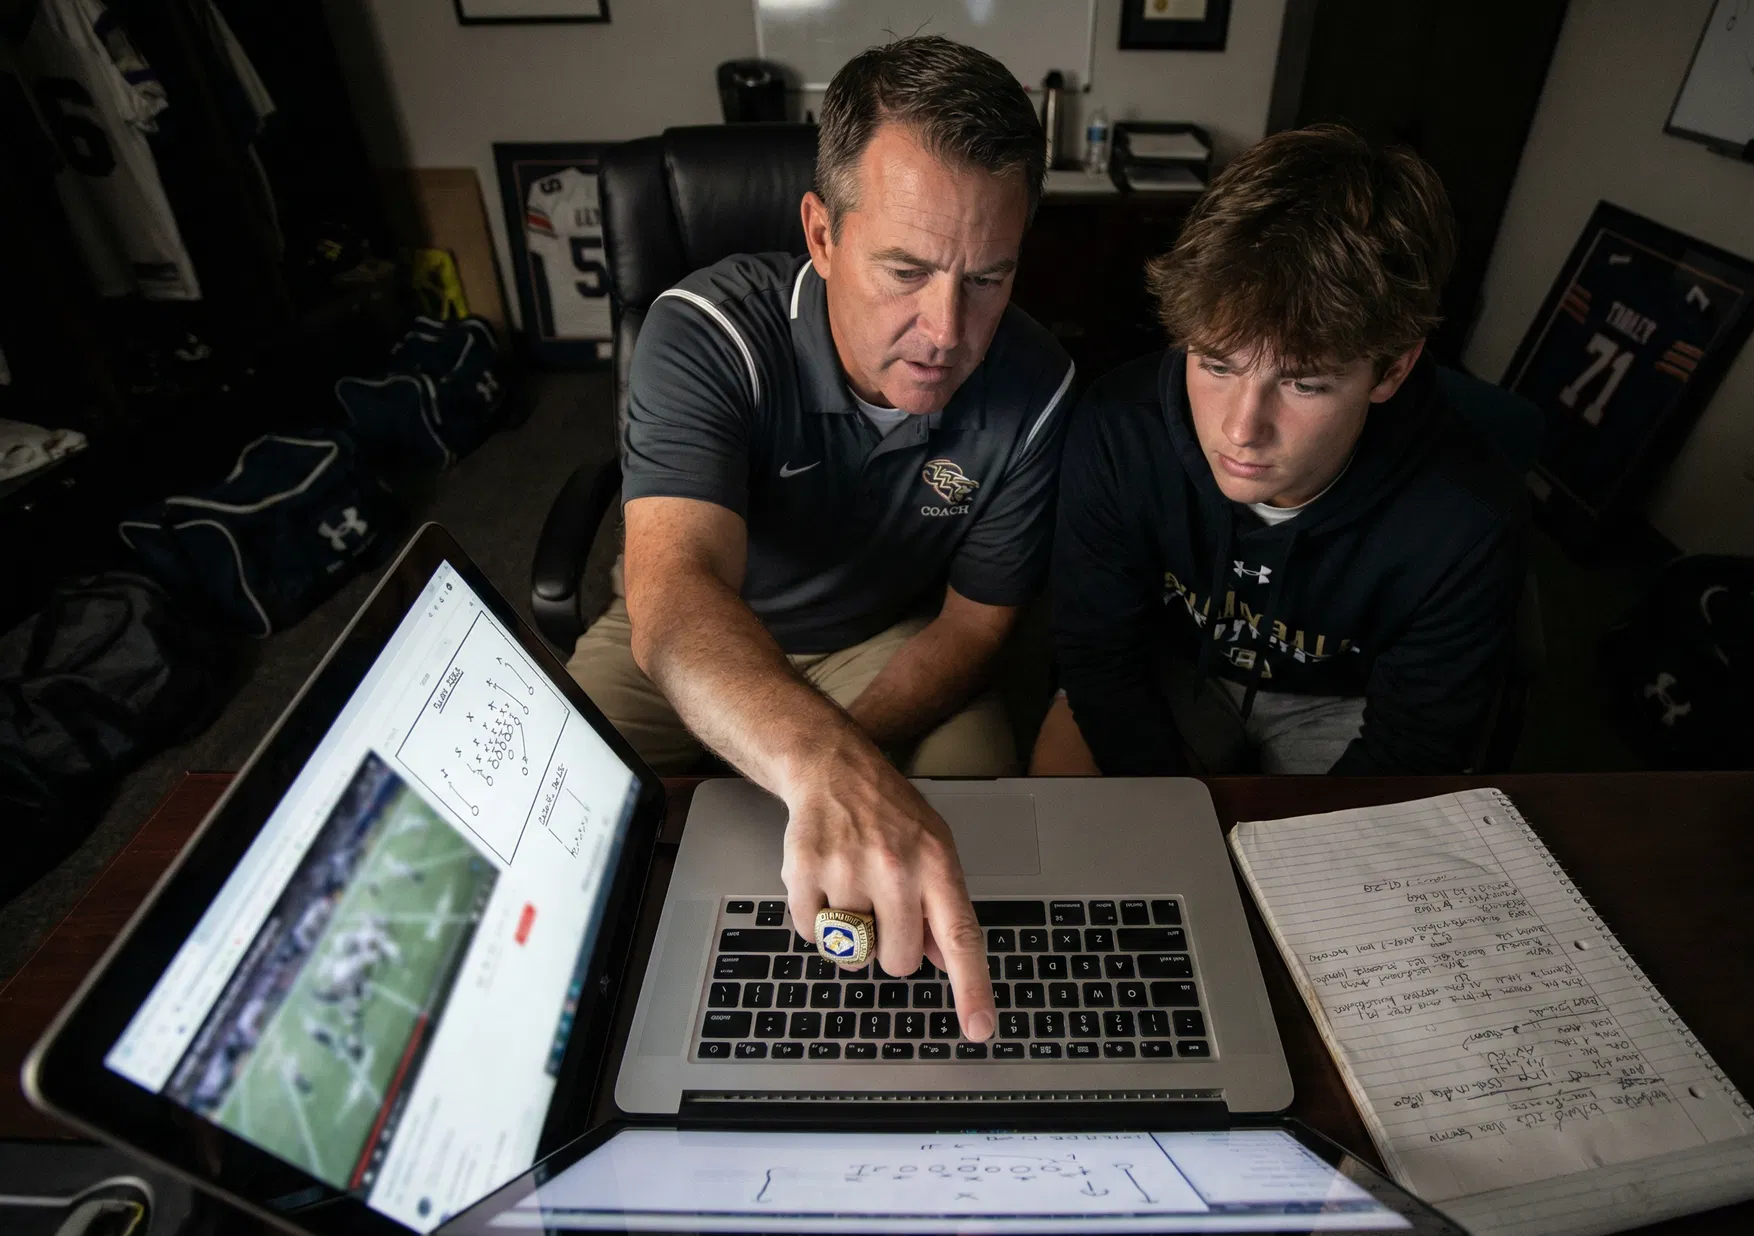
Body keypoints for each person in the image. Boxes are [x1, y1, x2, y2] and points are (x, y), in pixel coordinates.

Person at [567, 37, 1075, 1043]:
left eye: (987, 278)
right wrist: (811, 768)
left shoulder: (1038, 382)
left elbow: (975, 630)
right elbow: (675, 593)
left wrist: (839, 762)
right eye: (906, 269)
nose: (944, 329)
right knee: (550, 817)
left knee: (965, 840)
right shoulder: (706, 329)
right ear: (822, 233)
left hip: (890, 637)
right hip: (703, 628)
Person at [1033, 124, 1525, 779]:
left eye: (1302, 383)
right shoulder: (1119, 430)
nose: (1241, 429)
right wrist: (1174, 812)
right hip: (1168, 667)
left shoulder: (1467, 515)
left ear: (1392, 372)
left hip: (1346, 699)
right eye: (1215, 365)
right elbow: (1097, 654)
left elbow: (1413, 749)